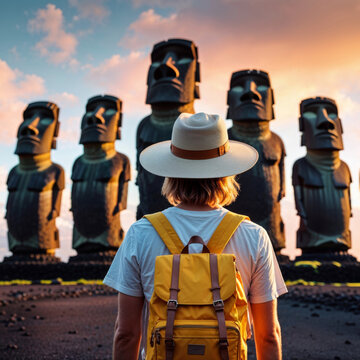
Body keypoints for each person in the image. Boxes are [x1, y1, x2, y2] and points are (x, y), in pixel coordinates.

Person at [103, 112, 286, 359]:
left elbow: (125, 333)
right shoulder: (254, 235)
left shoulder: (141, 233)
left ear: (171, 171)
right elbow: (268, 335)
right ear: (227, 173)